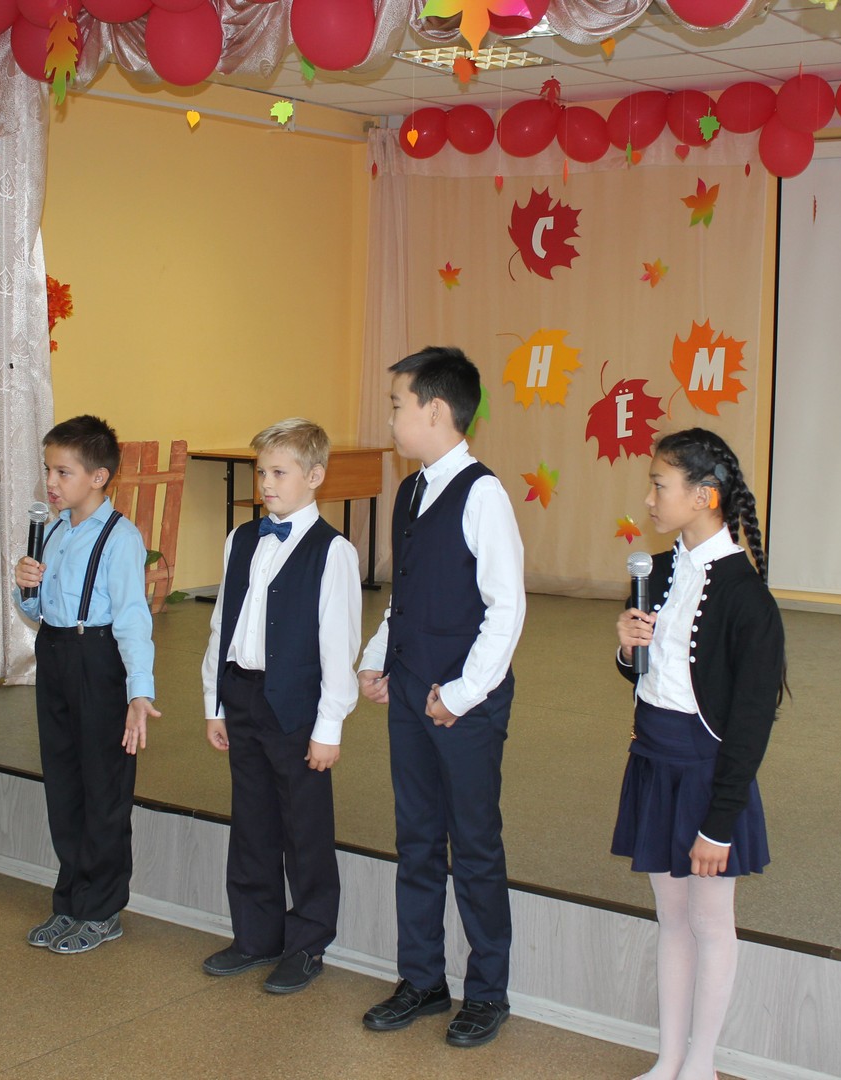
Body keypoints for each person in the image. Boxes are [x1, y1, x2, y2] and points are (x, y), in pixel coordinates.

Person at [357, 346, 526, 1049]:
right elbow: (408, 594)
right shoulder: (411, 490)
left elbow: (506, 609)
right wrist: (378, 656)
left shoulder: (482, 494)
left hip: (464, 704)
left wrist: (460, 694)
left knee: (474, 844)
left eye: (397, 406)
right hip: (409, 693)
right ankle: (422, 979)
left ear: (434, 411)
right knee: (418, 839)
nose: (390, 419)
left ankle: (487, 992)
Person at [611, 427, 786, 1080]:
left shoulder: (747, 598)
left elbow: (750, 725)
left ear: (704, 496)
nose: (649, 498)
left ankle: (701, 1064)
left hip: (708, 774)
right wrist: (627, 649)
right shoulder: (655, 572)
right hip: (654, 761)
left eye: (660, 485)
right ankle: (670, 1058)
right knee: (671, 918)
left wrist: (720, 821)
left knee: (711, 922)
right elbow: (653, 677)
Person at [198, 418, 362, 994]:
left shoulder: (333, 552)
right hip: (243, 695)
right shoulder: (241, 539)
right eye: (261, 472)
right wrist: (215, 702)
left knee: (304, 827)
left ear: (314, 477)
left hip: (296, 706)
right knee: (252, 822)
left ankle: (308, 942)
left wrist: (329, 726)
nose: (266, 483)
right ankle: (255, 936)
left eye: (279, 472)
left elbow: (339, 645)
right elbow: (223, 625)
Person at [14, 415, 160, 955]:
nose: (51, 482)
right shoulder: (54, 531)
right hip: (54, 653)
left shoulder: (120, 538)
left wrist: (138, 691)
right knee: (64, 783)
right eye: (48, 470)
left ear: (98, 477)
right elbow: (38, 609)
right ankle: (71, 900)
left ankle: (102, 909)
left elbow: (133, 618)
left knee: (103, 789)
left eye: (63, 472)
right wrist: (25, 587)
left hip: (98, 660)